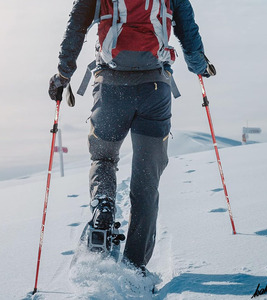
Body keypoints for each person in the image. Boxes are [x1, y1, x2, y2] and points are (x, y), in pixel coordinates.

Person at [49, 0, 215, 273]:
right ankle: (134, 266)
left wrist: (63, 74)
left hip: (111, 88)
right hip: (155, 89)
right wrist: (199, 65)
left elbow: (76, 27)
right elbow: (187, 27)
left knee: (103, 157)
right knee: (146, 181)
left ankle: (103, 204)